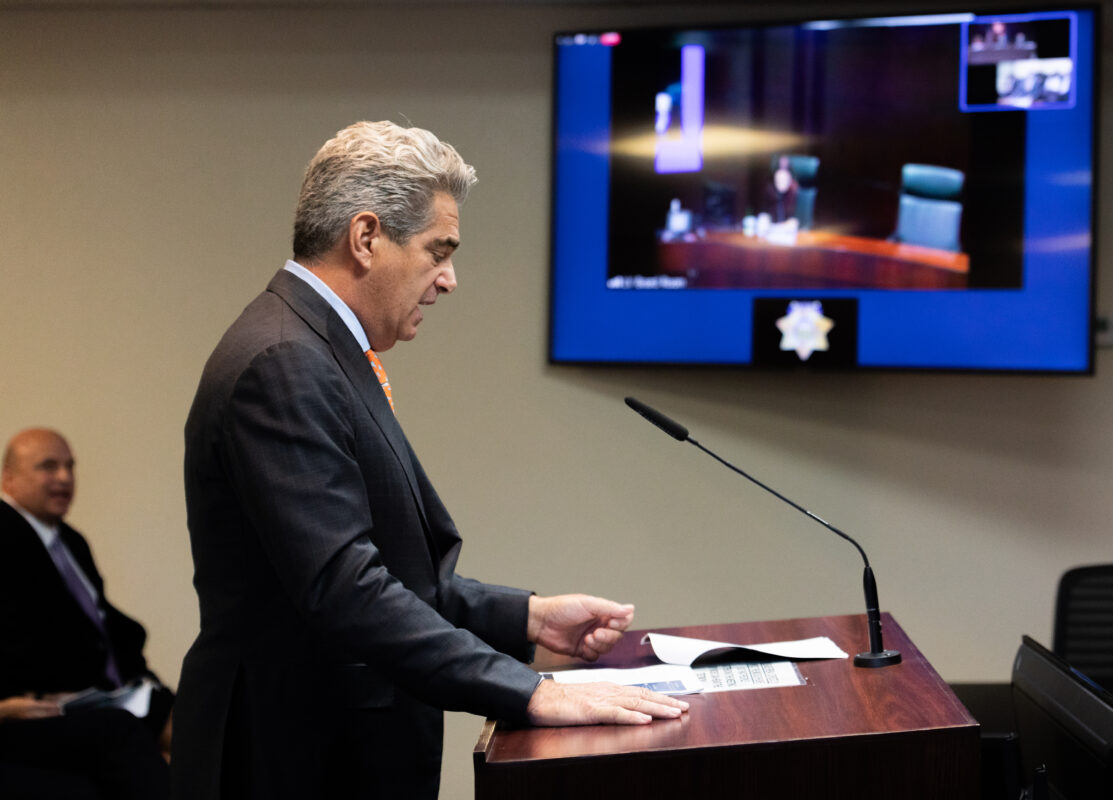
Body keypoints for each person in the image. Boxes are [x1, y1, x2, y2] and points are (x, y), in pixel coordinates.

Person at [172, 120, 687, 800]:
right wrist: (528, 693)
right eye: (438, 251)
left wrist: (529, 619)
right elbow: (345, 588)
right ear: (365, 238)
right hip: (288, 759)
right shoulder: (285, 360)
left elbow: (392, 571)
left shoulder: (321, 347)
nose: (449, 280)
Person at [0, 429, 172, 797]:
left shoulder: (70, 541)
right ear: (8, 478)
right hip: (33, 708)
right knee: (121, 733)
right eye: (49, 466)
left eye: (70, 467)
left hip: (108, 693)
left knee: (205, 724)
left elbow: (104, 627)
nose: (64, 478)